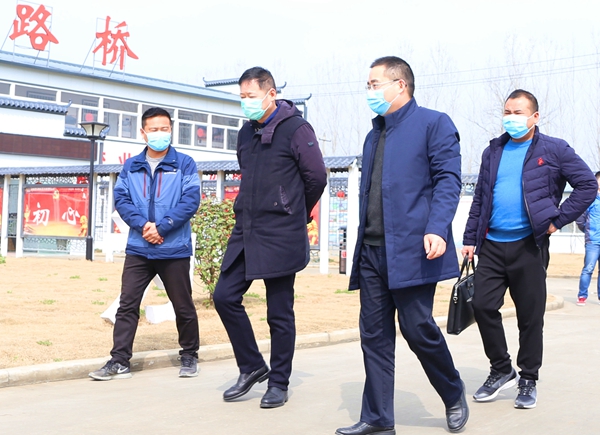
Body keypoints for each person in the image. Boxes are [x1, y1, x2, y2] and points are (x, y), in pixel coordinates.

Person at [335, 56, 468, 435]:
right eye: (368, 85)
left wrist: (437, 227)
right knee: (374, 336)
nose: (370, 91)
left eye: (375, 84)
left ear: (400, 85)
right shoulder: (374, 134)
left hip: (413, 250)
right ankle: (378, 418)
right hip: (372, 251)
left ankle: (452, 391)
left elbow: (448, 181)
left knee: (417, 328)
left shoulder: (433, 124)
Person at [462, 89, 596, 409]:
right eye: (507, 112)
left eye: (518, 113)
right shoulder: (493, 150)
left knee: (530, 316)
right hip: (492, 245)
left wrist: (557, 221)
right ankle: (501, 368)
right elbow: (481, 198)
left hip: (529, 246)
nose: (511, 118)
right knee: (481, 305)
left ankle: (528, 378)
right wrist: (469, 239)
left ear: (534, 117)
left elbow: (587, 185)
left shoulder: (554, 149)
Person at [213, 67, 327, 408]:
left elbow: (317, 177)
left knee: (279, 312)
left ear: (271, 94)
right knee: (224, 296)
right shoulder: (245, 132)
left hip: (281, 232)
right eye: (242, 97)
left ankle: (278, 382)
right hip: (246, 229)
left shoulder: (296, 129)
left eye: (251, 96)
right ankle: (251, 366)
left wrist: (294, 210)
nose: (246, 102)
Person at [89, 107, 201, 381]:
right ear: (143, 133)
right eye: (154, 129)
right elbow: (122, 200)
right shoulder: (131, 166)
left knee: (182, 305)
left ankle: (189, 354)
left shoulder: (184, 163)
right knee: (127, 305)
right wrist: (143, 226)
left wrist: (161, 227)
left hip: (173, 249)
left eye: (164, 129)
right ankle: (119, 361)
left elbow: (190, 201)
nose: (159, 134)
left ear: (171, 130)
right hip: (139, 249)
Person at [575, 171, 600, 305]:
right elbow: (580, 218)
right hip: (593, 241)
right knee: (588, 269)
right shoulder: (590, 199)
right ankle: (582, 296)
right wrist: (587, 230)